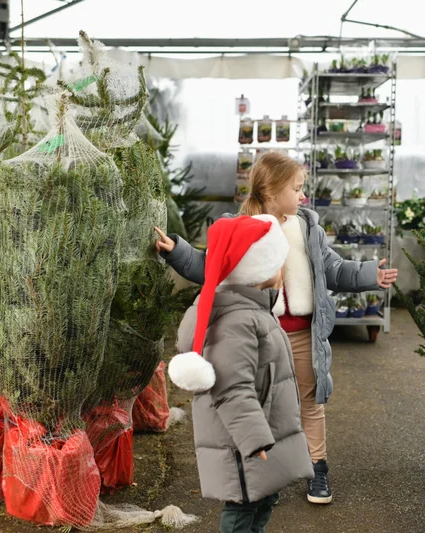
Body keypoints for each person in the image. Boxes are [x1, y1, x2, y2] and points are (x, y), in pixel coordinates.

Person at [156, 151, 398, 504]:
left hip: (302, 336)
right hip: (258, 335)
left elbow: (331, 268)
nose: (303, 197)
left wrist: (368, 275)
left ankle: (318, 468)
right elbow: (210, 267)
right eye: (297, 189)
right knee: (265, 403)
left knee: (309, 403)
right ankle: (270, 471)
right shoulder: (240, 225)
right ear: (272, 190)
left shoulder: (307, 227)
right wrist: (177, 251)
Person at [168, 214, 313, 533]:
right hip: (243, 441)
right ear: (260, 272)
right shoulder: (239, 321)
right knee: (243, 509)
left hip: (261, 431)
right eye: (279, 263)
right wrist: (255, 439)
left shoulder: (255, 310)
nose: (283, 270)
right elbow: (232, 387)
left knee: (260, 504)